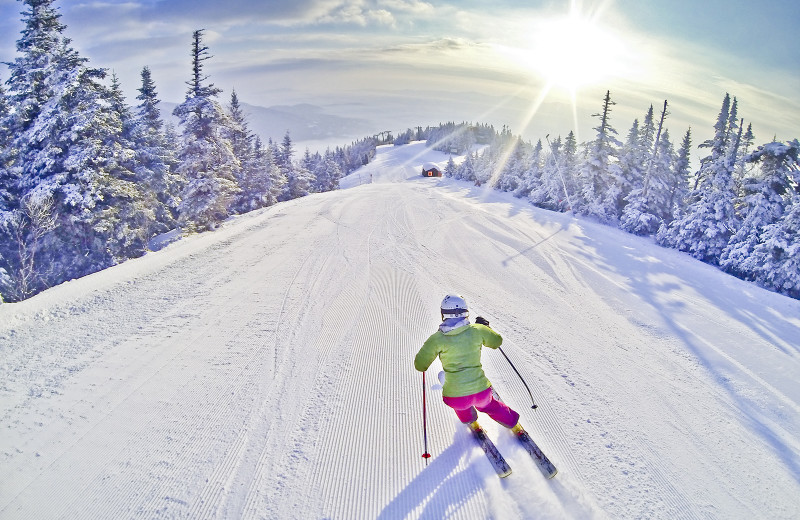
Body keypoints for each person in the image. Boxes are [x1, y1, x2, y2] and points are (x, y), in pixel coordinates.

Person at [414, 294, 525, 435]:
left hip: (455, 397)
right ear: (465, 312)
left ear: (444, 314)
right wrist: (486, 328)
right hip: (481, 393)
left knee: (458, 401)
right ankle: (514, 426)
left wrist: (432, 347)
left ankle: (472, 422)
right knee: (491, 405)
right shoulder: (477, 330)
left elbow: (420, 365)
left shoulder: (436, 339)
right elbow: (497, 342)